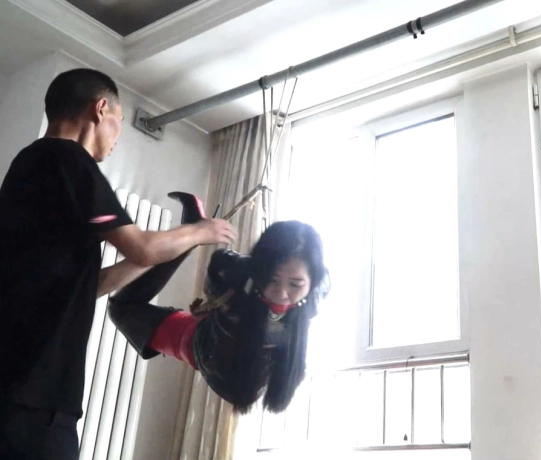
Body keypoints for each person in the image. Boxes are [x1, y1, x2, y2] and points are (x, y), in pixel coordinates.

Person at [0, 69, 236, 459]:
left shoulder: (31, 169)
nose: (116, 137)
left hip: (20, 394)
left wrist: (168, 247)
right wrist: (200, 231)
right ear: (101, 109)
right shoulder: (67, 158)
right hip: (36, 400)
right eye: (120, 122)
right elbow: (141, 247)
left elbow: (88, 285)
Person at [107, 200, 329, 415]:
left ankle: (191, 230)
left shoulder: (316, 294)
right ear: (258, 268)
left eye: (295, 284)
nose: (281, 293)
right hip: (201, 347)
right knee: (122, 309)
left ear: (313, 281)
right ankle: (190, 232)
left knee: (123, 309)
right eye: (271, 279)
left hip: (220, 361)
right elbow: (220, 263)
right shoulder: (234, 273)